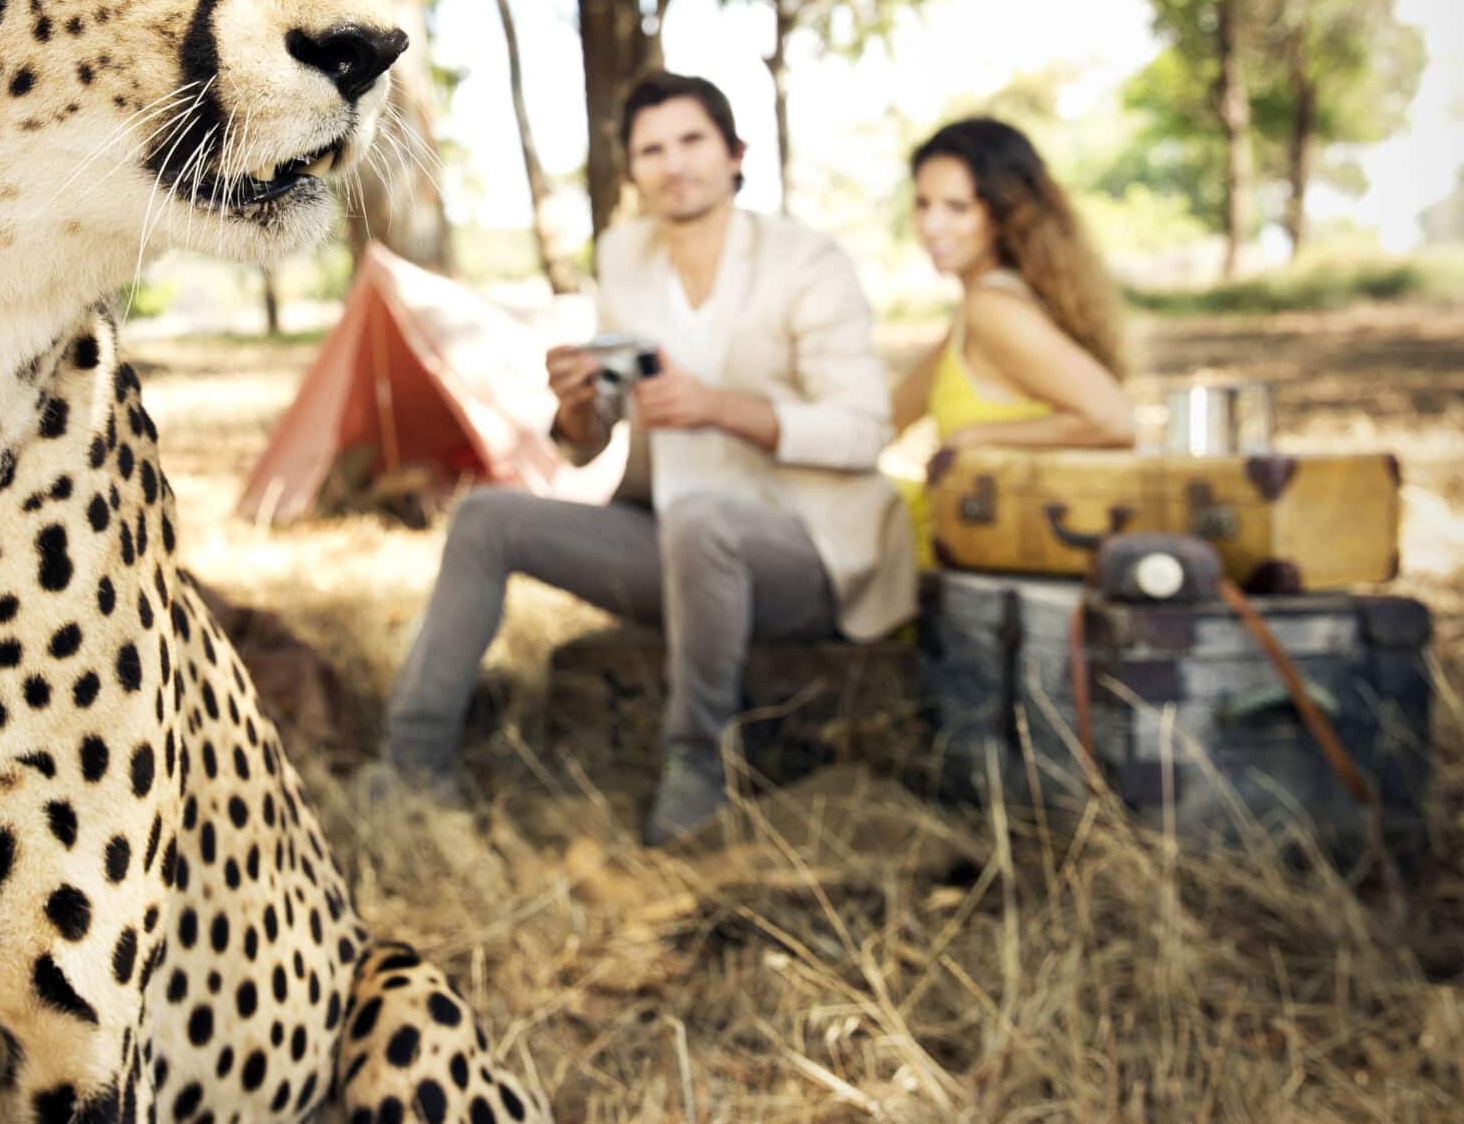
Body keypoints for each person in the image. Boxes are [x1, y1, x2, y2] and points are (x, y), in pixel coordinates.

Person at [379, 72, 912, 844]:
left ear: (735, 154)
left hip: (811, 551)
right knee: (489, 515)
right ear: (632, 170)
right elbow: (598, 433)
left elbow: (865, 429)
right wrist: (575, 409)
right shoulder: (625, 256)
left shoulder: (807, 261)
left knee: (703, 521)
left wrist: (718, 407)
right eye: (651, 149)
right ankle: (412, 761)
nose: (674, 163)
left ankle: (696, 761)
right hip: (671, 540)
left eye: (693, 140)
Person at [888, 117, 1134, 562]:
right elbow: (885, 420)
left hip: (988, 553)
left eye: (957, 208)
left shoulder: (993, 310)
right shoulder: (974, 312)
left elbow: (1114, 420)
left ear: (1003, 214)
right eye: (923, 204)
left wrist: (973, 438)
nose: (931, 225)